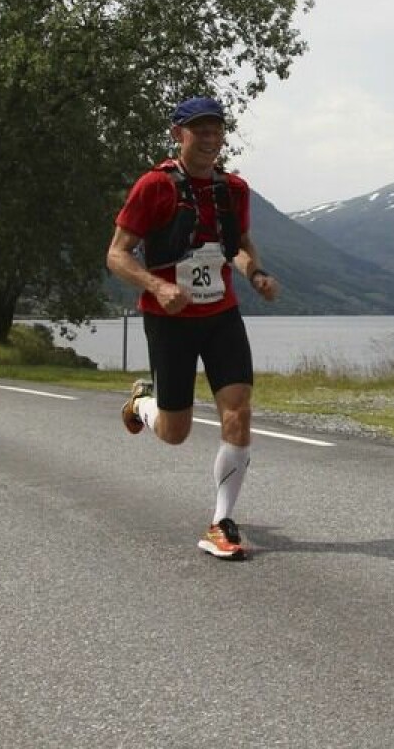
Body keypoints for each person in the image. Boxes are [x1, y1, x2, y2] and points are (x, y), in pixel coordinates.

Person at [106, 96, 280, 560]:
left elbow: (237, 245)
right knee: (175, 432)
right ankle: (143, 403)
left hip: (220, 314)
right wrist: (156, 287)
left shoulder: (233, 190)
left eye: (216, 130)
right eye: (199, 130)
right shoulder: (153, 187)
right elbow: (117, 254)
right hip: (170, 320)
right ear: (177, 134)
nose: (209, 138)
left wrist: (255, 273)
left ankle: (222, 522)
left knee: (238, 411)